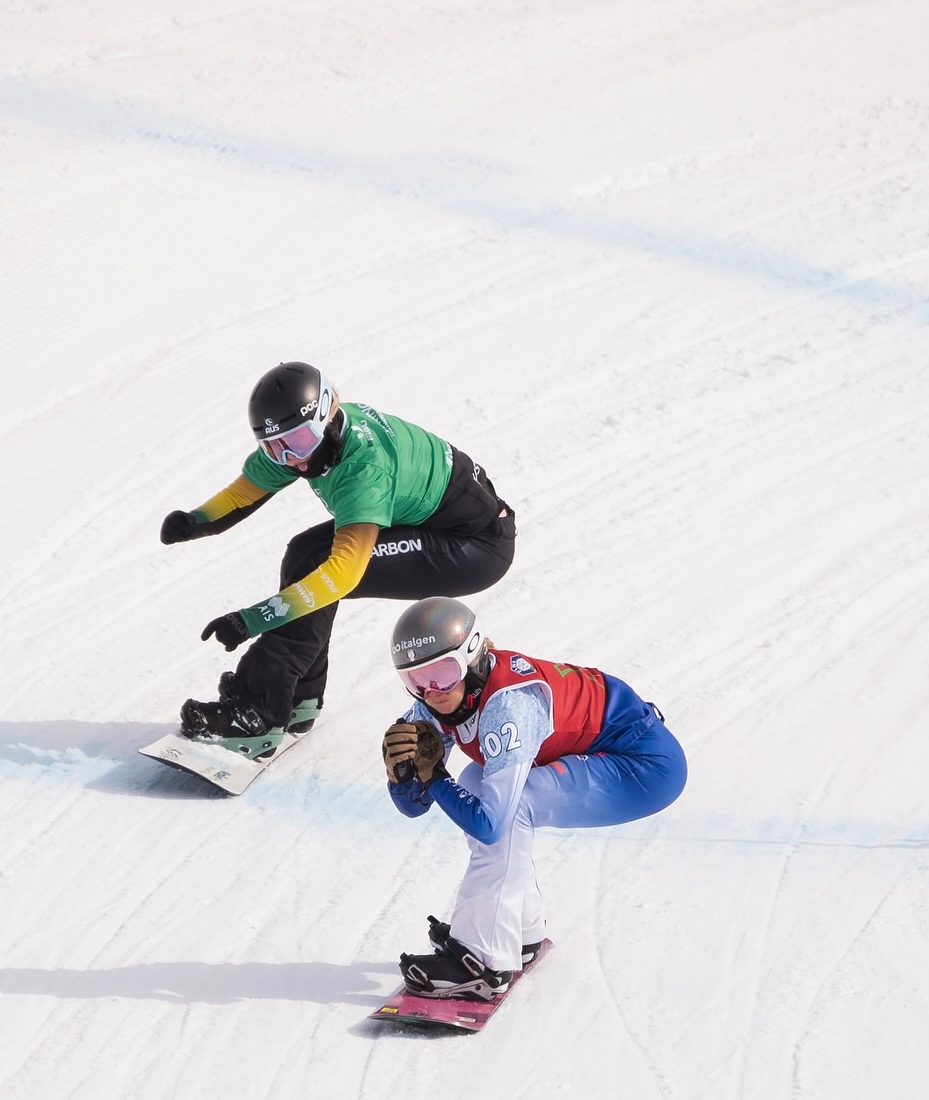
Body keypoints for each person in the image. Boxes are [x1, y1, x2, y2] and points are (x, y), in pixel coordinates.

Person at [161, 363, 515, 755]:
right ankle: (296, 694)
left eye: (298, 439)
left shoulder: (363, 470)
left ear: (327, 416)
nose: (291, 457)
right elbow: (246, 490)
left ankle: (257, 712)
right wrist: (196, 521)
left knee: (318, 568)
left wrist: (251, 619)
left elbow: (342, 574)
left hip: (473, 547)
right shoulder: (314, 439)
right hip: (452, 518)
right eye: (274, 446)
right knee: (305, 553)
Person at [381, 596, 687, 1001]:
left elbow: (488, 826)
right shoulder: (437, 700)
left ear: (471, 654)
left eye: (441, 673)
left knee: (511, 807)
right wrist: (401, 777)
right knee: (476, 783)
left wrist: (433, 775)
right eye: (415, 680)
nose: (431, 692)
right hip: (608, 747)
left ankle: (484, 960)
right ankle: (518, 933)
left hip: (643, 766)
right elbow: (412, 809)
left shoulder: (509, 706)